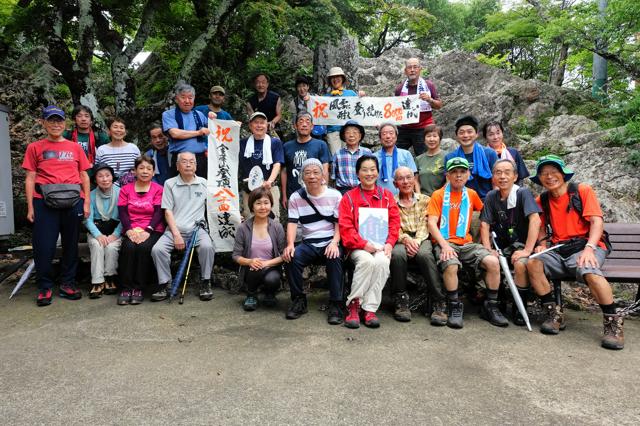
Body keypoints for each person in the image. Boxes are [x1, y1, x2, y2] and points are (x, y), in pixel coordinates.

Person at [526, 155, 624, 350]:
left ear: (563, 175)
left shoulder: (582, 191)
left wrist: (589, 248)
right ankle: (554, 313)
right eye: (544, 174)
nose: (549, 177)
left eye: (554, 172)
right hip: (559, 248)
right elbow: (540, 224)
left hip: (586, 245)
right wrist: (542, 243)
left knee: (589, 270)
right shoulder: (543, 199)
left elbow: (596, 221)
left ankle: (613, 323)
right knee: (533, 263)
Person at [426, 157, 507, 329]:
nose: (458, 176)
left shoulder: (471, 194)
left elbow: (485, 216)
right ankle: (454, 305)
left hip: (468, 243)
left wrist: (488, 247)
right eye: (454, 172)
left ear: (468, 174)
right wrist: (444, 245)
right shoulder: (438, 195)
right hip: (446, 242)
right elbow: (432, 223)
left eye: (462, 172)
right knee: (451, 265)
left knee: (493, 262)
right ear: (447, 175)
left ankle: (491, 305)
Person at [23, 106, 91, 306]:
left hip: (72, 202)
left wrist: (86, 201)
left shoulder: (75, 147)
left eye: (59, 120)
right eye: (51, 120)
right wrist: (30, 207)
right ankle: (44, 287)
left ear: (65, 123)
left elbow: (84, 175)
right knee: (44, 246)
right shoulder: (34, 147)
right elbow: (30, 178)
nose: (55, 124)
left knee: (71, 245)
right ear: (43, 123)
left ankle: (67, 283)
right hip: (43, 201)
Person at [338, 156, 401, 329]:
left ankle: (369, 308)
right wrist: (363, 244)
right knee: (366, 261)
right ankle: (354, 304)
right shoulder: (349, 198)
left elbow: (395, 223)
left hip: (381, 244)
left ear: (378, 172)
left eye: (373, 169)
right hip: (358, 246)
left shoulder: (387, 196)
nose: (369, 173)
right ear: (358, 173)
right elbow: (345, 227)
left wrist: (389, 243)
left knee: (381, 261)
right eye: (364, 169)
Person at [479, 159, 541, 325]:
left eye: (507, 172)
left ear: (515, 176)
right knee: (489, 261)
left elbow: (535, 220)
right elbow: (484, 224)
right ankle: (495, 304)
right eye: (498, 172)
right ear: (493, 177)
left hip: (521, 245)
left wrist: (528, 250)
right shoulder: (492, 196)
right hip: (502, 246)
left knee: (520, 263)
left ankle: (519, 308)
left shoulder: (523, 193)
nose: (502, 176)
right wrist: (487, 248)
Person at [282, 159, 343, 324]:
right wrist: (290, 245)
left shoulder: (335, 195)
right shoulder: (296, 197)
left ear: (323, 175)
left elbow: (339, 223)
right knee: (291, 257)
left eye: (316, 172)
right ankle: (299, 300)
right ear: (302, 176)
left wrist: (334, 243)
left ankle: (336, 303)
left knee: (334, 257)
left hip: (330, 240)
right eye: (307, 173)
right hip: (309, 242)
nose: (312, 176)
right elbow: (292, 223)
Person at [150, 151, 215, 302]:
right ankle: (165, 284)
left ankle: (206, 282)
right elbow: (167, 212)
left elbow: (216, 206)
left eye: (191, 162)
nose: (188, 164)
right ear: (177, 166)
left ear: (196, 166)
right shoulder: (169, 183)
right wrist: (176, 234)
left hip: (197, 229)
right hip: (174, 229)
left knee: (207, 247)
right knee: (157, 249)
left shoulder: (204, 183)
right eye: (184, 162)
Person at [390, 167, 446, 325]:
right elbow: (393, 225)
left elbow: (426, 222)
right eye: (401, 179)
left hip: (422, 237)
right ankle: (401, 300)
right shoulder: (391, 202)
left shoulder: (425, 199)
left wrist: (417, 240)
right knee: (398, 254)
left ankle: (438, 300)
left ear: (414, 180)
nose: (406, 182)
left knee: (425, 254)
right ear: (395, 183)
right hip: (401, 238)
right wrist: (406, 239)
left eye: (409, 177)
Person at [117, 155, 165, 305]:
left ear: (153, 172)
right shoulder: (125, 189)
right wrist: (129, 230)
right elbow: (123, 212)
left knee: (144, 248)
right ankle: (126, 288)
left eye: (149, 169)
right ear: (135, 171)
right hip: (132, 228)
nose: (145, 171)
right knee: (128, 247)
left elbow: (158, 212)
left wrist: (148, 231)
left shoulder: (159, 189)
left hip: (152, 229)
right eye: (141, 168)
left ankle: (138, 288)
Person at [232, 187, 286, 311]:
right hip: (251, 270)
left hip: (271, 268)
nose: (263, 207)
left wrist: (266, 263)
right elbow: (236, 255)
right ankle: (251, 294)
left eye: (266, 203)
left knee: (272, 279)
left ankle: (270, 294)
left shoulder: (277, 227)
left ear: (271, 205)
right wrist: (250, 261)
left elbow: (283, 255)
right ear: (252, 206)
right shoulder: (243, 228)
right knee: (254, 268)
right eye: (258, 203)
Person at [85, 163, 122, 298]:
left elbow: (125, 217)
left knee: (111, 247)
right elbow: (87, 219)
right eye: (100, 176)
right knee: (97, 244)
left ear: (112, 177)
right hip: (97, 229)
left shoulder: (121, 193)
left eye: (107, 175)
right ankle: (97, 281)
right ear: (95, 179)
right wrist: (98, 235)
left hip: (115, 230)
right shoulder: (91, 195)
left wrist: (116, 234)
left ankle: (110, 278)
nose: (105, 179)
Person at [280, 111, 331, 209]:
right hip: (293, 193)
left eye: (308, 122)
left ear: (312, 126)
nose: (304, 125)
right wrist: (284, 195)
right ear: (295, 126)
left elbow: (325, 170)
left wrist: (324, 192)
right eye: (301, 122)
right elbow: (284, 171)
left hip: (315, 192)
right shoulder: (287, 146)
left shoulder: (321, 145)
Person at [239, 111, 284, 219]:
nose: (259, 125)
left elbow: (277, 164)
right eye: (256, 122)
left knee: (272, 223)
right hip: (249, 190)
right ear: (250, 125)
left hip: (269, 189)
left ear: (267, 125)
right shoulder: (242, 143)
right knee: (250, 222)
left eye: (262, 123)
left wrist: (269, 181)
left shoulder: (275, 143)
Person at [394, 58, 442, 155]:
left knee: (424, 156)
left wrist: (429, 99)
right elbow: (395, 109)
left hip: (423, 127)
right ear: (405, 71)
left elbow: (439, 105)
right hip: (404, 127)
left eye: (415, 67)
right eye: (409, 67)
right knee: (397, 154)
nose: (412, 70)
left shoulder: (428, 85)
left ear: (420, 69)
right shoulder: (400, 89)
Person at [162, 83, 210, 178]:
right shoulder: (168, 114)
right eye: (183, 97)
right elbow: (175, 133)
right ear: (176, 99)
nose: (187, 101)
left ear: (194, 98)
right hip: (180, 158)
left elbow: (213, 130)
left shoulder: (199, 114)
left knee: (201, 188)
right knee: (180, 189)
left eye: (190, 97)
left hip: (200, 158)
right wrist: (198, 132)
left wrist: (215, 119)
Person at [444, 115, 498, 200]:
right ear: (456, 136)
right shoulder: (450, 157)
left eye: (469, 132)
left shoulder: (489, 154)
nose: (465, 135)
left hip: (487, 200)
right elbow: (449, 183)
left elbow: (496, 181)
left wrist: (496, 202)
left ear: (476, 134)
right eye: (461, 132)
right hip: (461, 201)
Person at [324, 66, 364, 155]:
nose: (335, 80)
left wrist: (362, 97)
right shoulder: (325, 97)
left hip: (349, 130)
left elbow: (361, 107)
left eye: (338, 77)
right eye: (333, 78)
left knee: (351, 154)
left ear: (342, 79)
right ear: (330, 81)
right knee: (336, 157)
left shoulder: (351, 93)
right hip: (333, 132)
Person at [376, 122, 419, 196]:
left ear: (396, 137)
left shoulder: (406, 154)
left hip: (403, 198)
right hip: (381, 199)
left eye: (391, 133)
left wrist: (418, 196)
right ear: (380, 138)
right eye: (384, 134)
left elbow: (414, 178)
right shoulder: (374, 157)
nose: (388, 136)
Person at [331, 120, 372, 194]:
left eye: (355, 132)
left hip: (363, 190)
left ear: (360, 136)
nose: (351, 135)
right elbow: (333, 177)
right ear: (343, 136)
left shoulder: (367, 153)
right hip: (343, 191)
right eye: (348, 132)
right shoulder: (338, 154)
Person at [95, 117, 141, 183]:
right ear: (108, 131)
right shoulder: (102, 150)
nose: (118, 130)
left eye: (121, 128)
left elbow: (140, 168)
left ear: (125, 132)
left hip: (131, 188)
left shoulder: (133, 148)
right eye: (115, 127)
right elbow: (98, 172)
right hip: (108, 187)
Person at [288, 75, 326, 140]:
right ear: (297, 88)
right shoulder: (294, 103)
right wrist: (298, 137)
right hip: (303, 130)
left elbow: (323, 113)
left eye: (304, 86)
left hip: (317, 129)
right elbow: (294, 122)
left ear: (308, 87)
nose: (302, 89)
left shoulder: (315, 97)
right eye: (299, 86)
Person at [415, 124, 446, 197]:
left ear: (440, 138)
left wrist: (438, 196)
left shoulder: (447, 157)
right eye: (428, 136)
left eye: (435, 136)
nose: (431, 139)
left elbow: (449, 181)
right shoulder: (418, 159)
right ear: (424, 139)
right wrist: (420, 197)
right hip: (423, 199)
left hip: (441, 198)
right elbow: (415, 181)